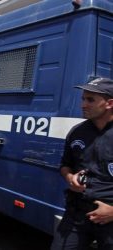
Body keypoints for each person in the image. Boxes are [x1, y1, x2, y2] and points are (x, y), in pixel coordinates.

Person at [51, 77, 113, 250]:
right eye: (83, 98)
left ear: (109, 103)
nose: (83, 104)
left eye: (90, 100)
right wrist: (70, 177)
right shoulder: (77, 132)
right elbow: (65, 165)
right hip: (77, 214)